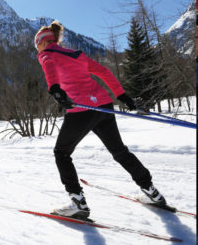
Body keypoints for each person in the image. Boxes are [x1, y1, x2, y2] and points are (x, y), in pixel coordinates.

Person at [35, 21, 166, 219]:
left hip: (82, 109)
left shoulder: (46, 54)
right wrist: (122, 96)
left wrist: (55, 89)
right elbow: (104, 72)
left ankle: (78, 202)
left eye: (37, 46)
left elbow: (49, 67)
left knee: (61, 153)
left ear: (43, 43)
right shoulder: (76, 54)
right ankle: (151, 192)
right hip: (103, 106)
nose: (37, 50)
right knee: (119, 151)